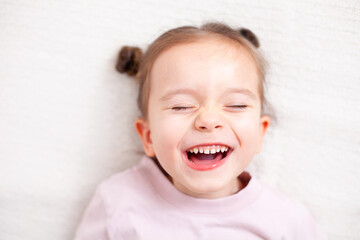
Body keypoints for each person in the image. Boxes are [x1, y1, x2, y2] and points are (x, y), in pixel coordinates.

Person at [74, 22, 327, 239]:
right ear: (148, 137)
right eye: (181, 106)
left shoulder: (286, 221)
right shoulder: (117, 202)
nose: (208, 120)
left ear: (260, 133)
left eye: (236, 105)